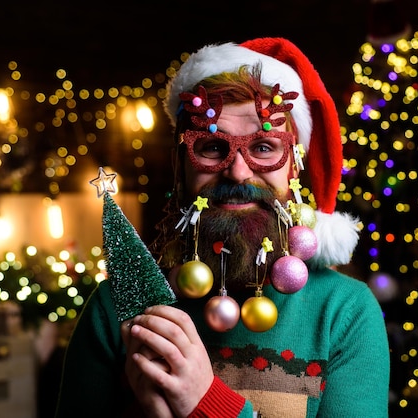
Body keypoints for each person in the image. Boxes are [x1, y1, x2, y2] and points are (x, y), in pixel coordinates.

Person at [55, 37, 390, 418]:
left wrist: (207, 405)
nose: (238, 170)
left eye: (264, 147)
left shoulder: (344, 312)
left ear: (293, 166)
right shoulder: (118, 308)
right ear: (181, 163)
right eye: (212, 146)